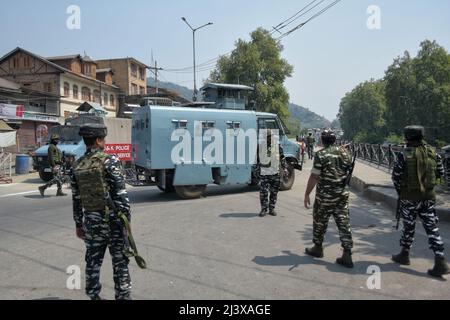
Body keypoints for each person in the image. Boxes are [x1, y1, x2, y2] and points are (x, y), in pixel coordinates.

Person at [70, 124, 133, 300]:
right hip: (114, 222)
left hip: (91, 222)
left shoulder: (76, 165)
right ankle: (123, 296)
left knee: (92, 261)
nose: (105, 142)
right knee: (120, 262)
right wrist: (127, 222)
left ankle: (93, 295)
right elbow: (121, 195)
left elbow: (76, 199)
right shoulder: (110, 161)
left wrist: (78, 224)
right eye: (103, 139)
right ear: (98, 140)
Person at [391, 126, 449, 278]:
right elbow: (440, 174)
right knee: (431, 226)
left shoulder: (405, 153)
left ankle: (404, 254)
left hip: (409, 197)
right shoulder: (432, 151)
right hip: (428, 197)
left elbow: (396, 176)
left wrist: (401, 192)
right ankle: (440, 260)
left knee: (409, 226)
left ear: (408, 137)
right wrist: (429, 188)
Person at [304, 129, 354, 268]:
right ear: (334, 140)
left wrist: (307, 193)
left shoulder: (321, 155)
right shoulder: (345, 152)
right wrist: (341, 151)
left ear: (322, 140)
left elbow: (314, 177)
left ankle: (318, 248)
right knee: (343, 222)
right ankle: (347, 253)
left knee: (320, 221)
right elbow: (347, 167)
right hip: (342, 194)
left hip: (325, 196)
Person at [258, 130, 285, 217]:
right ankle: (263, 209)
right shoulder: (261, 146)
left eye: (271, 136)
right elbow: (256, 160)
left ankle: (272, 209)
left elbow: (282, 158)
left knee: (274, 192)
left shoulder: (277, 146)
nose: (271, 138)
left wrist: (284, 168)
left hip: (275, 173)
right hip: (264, 173)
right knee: (263, 192)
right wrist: (256, 172)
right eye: (269, 136)